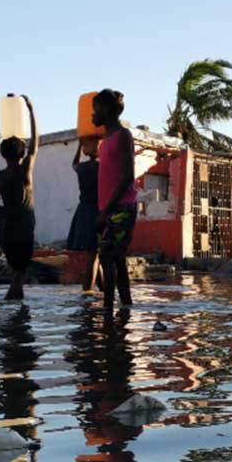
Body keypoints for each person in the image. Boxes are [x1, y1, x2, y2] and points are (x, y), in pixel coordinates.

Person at [92, 89, 137, 314]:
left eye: (95, 110)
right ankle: (126, 306)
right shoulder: (105, 140)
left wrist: (106, 210)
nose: (92, 115)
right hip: (109, 209)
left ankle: (108, 312)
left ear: (107, 111)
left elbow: (127, 176)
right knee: (117, 259)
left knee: (107, 257)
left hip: (121, 208)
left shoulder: (123, 135)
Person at [0, 95, 37, 300]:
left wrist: (9, 209)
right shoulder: (24, 171)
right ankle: (12, 318)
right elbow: (36, 143)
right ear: (22, 154)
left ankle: (15, 317)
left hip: (6, 231)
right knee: (19, 275)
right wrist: (31, 111)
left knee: (16, 274)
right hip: (23, 229)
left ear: (2, 154)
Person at [67, 137, 103, 293]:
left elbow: (73, 164)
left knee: (94, 254)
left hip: (83, 211)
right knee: (94, 255)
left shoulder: (81, 168)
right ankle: (87, 293)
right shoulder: (102, 167)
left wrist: (79, 146)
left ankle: (103, 290)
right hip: (97, 211)